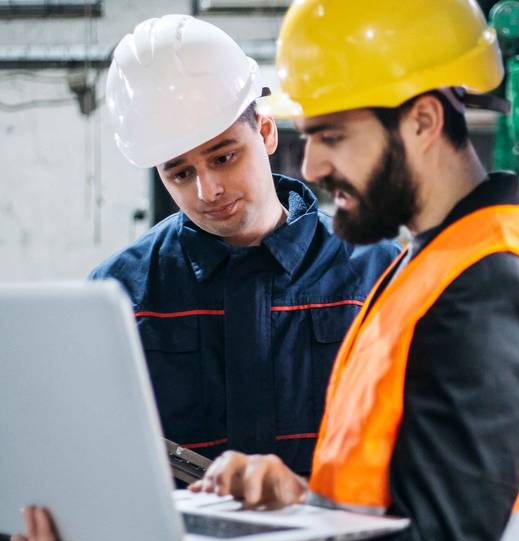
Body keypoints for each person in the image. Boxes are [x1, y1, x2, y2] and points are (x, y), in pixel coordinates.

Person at [13, 2, 519, 541]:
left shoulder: (490, 293)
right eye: (179, 171)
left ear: (423, 121)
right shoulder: (428, 269)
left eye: (332, 136)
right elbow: (392, 507)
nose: (315, 165)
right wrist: (302, 503)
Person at [88, 15, 397, 469]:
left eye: (224, 157)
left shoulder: (375, 272)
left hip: (340, 537)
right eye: (181, 173)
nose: (207, 190)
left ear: (266, 133)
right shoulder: (118, 294)